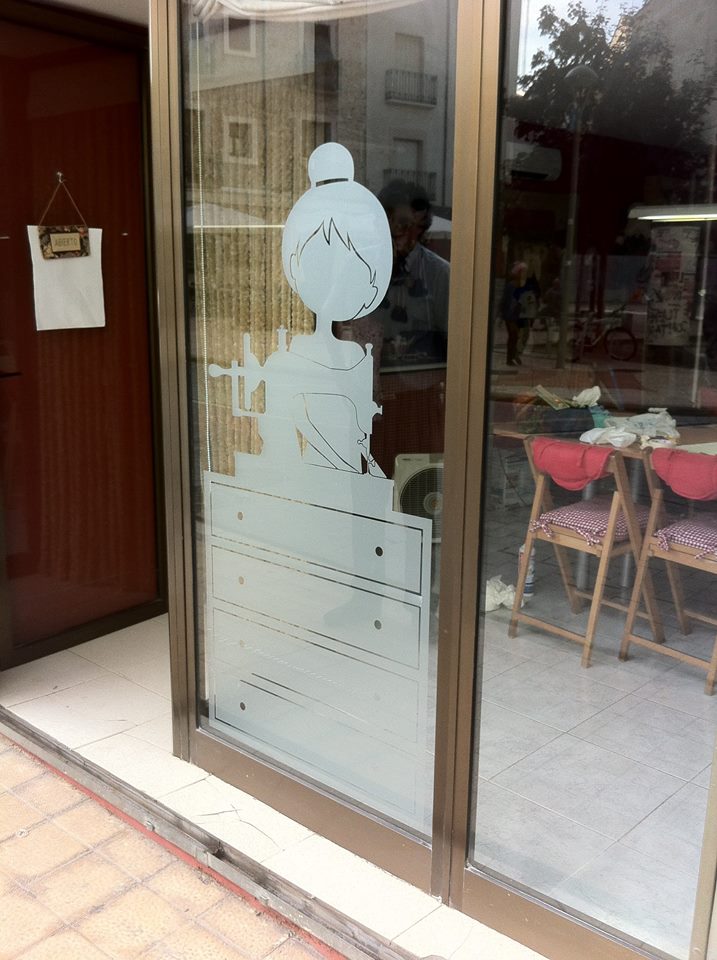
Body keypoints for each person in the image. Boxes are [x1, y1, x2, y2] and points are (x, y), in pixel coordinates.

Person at [337, 179, 451, 393]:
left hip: (417, 392)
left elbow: (452, 344)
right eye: (386, 221)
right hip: (363, 389)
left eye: (406, 225)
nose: (395, 232)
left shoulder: (439, 274)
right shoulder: (358, 265)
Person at [500, 261, 540, 366]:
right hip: (511, 316)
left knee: (518, 336)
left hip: (519, 315)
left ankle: (513, 355)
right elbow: (506, 301)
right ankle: (510, 358)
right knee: (513, 336)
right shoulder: (512, 285)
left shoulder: (524, 285)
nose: (524, 274)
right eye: (522, 272)